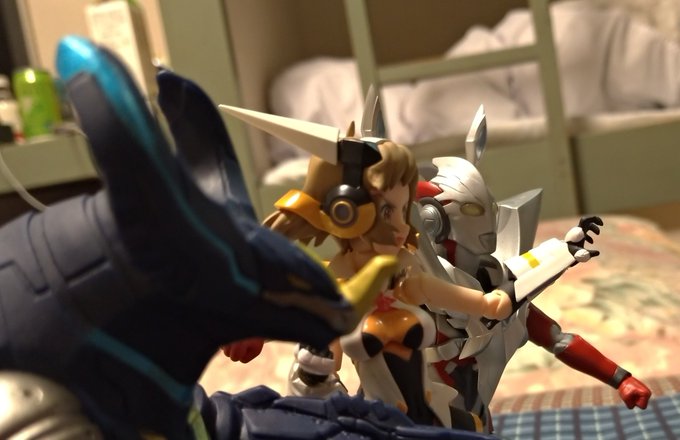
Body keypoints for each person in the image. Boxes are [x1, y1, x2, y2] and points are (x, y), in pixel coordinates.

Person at [220, 104, 514, 429]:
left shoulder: (401, 269)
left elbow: (431, 289)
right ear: (345, 210)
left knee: (476, 427)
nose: (401, 225)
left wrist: (485, 303)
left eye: (404, 209)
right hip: (378, 418)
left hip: (430, 410)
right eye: (388, 211)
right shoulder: (340, 279)